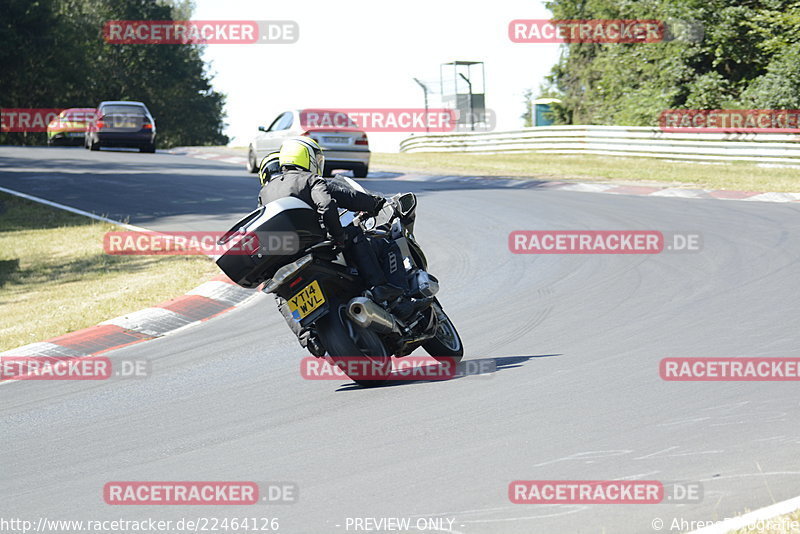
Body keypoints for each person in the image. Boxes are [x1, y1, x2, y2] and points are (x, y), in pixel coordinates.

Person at [258, 137, 404, 353]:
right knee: (355, 234)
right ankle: (379, 287)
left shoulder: (264, 193)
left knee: (281, 294)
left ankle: (308, 337)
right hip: (317, 246)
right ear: (306, 157)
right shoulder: (309, 179)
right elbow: (329, 205)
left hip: (288, 256)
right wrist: (339, 235)